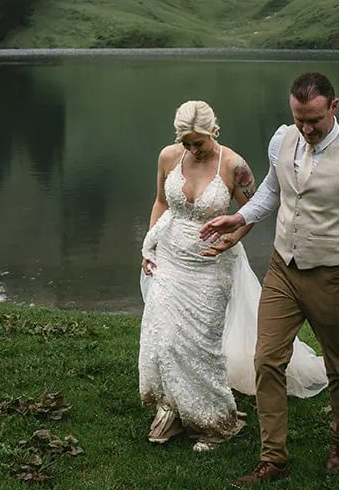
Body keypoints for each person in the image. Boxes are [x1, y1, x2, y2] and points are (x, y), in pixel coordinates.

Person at [200, 72, 339, 485]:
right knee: (266, 360)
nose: (306, 129)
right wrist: (240, 217)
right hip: (282, 271)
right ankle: (274, 460)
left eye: (314, 120)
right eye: (299, 119)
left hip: (335, 278)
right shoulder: (282, 139)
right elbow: (273, 192)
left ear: (334, 107)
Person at [138, 101, 327, 452]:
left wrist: (233, 238)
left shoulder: (233, 165)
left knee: (199, 344)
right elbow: (161, 202)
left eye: (199, 143)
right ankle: (172, 409)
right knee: (160, 338)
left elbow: (254, 210)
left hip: (212, 264)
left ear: (214, 132)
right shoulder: (168, 157)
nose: (193, 150)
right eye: (187, 143)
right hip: (170, 256)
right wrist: (149, 245)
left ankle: (214, 420)